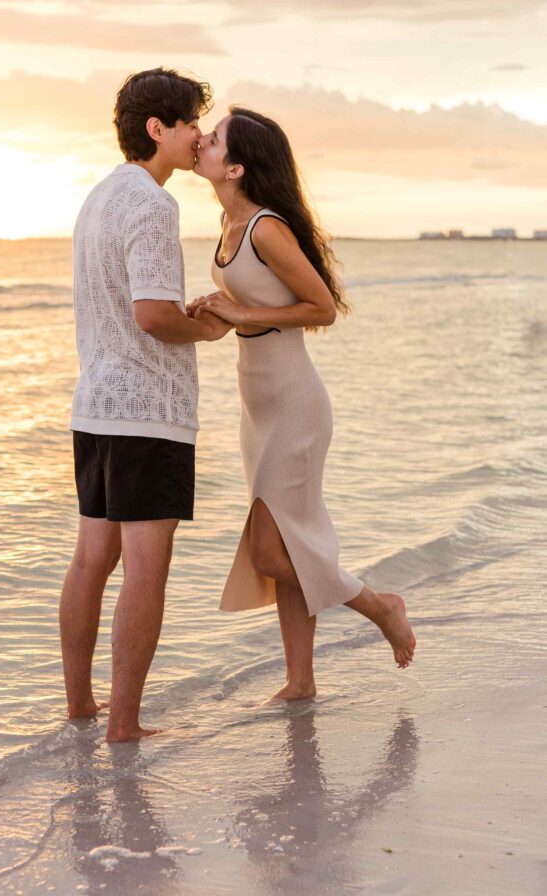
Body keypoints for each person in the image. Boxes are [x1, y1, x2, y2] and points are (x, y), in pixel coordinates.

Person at [189, 107, 416, 701]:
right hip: (257, 409)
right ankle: (301, 681)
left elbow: (320, 308)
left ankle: (380, 607)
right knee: (288, 544)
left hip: (294, 405)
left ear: (236, 166)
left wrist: (241, 312)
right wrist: (221, 304)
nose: (200, 141)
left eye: (212, 139)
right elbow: (260, 302)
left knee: (271, 550)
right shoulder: (227, 221)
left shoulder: (265, 227)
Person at [60, 68, 230, 743]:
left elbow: (134, 306)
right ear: (158, 128)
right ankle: (124, 724)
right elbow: (155, 315)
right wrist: (208, 327)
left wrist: (174, 317)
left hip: (95, 405)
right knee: (144, 571)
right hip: (144, 413)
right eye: (191, 123)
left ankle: (81, 707)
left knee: (89, 563)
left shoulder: (100, 197)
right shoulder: (155, 206)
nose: (198, 137)